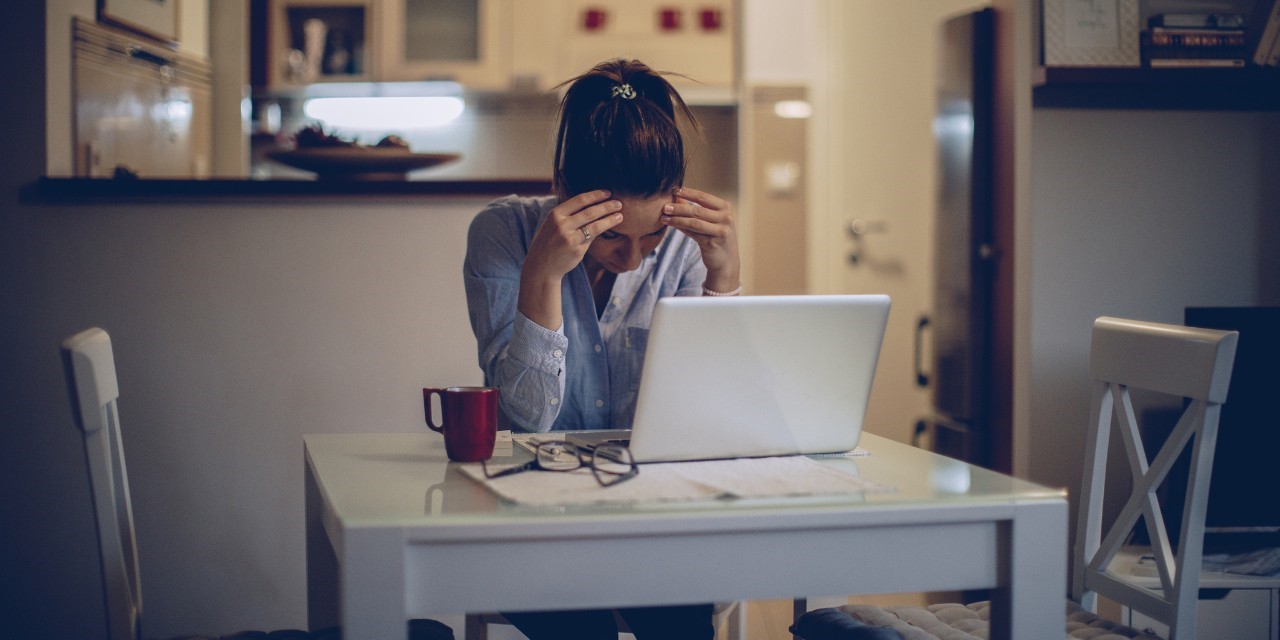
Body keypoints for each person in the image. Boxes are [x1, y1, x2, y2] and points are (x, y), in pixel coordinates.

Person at [461, 58, 739, 640]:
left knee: (682, 620)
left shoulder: (685, 253)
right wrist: (541, 274)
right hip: (534, 519)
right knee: (575, 623)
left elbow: (711, 421)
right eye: (610, 235)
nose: (635, 258)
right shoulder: (502, 235)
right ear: (566, 187)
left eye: (652, 235)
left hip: (654, 518)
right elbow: (523, 418)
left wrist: (724, 280)